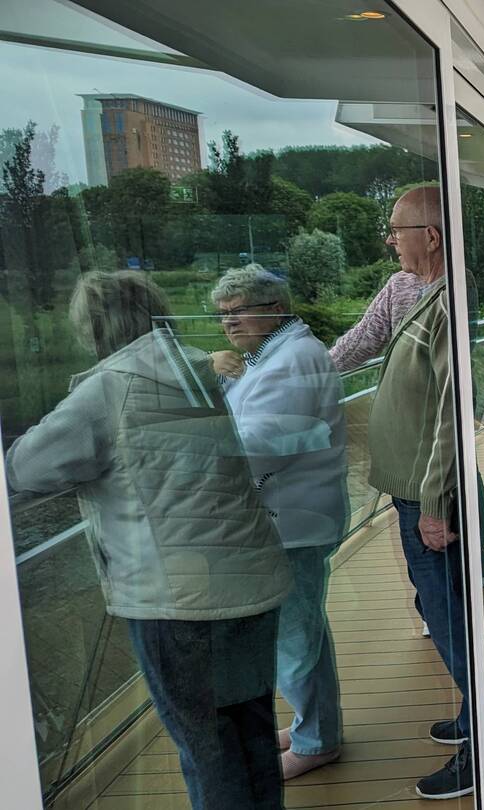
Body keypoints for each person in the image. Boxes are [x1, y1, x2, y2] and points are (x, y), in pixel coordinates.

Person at [5, 271, 292, 809]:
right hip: (248, 579)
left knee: (206, 747)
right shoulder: (194, 367)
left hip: (178, 600)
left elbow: (25, 466)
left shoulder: (109, 389)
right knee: (250, 728)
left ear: (93, 329)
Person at [210, 265, 348, 779]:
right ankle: (315, 725)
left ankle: (317, 742)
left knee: (295, 636)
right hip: (291, 517)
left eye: (238, 311)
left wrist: (198, 460)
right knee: (302, 630)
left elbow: (259, 446)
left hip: (293, 521)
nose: (228, 322)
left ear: (274, 310)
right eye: (222, 314)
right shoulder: (274, 355)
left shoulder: (292, 360)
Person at [365, 185, 474, 800]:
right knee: (442, 606)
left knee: (444, 612)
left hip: (426, 493)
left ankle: (480, 737)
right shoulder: (421, 292)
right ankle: (473, 712)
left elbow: (450, 414)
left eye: (397, 230)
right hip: (415, 486)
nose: (391, 241)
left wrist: (433, 505)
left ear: (430, 237)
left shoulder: (447, 302)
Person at [328, 266, 424, 372]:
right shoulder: (400, 284)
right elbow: (365, 338)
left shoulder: (405, 285)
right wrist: (321, 364)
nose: (399, 258)